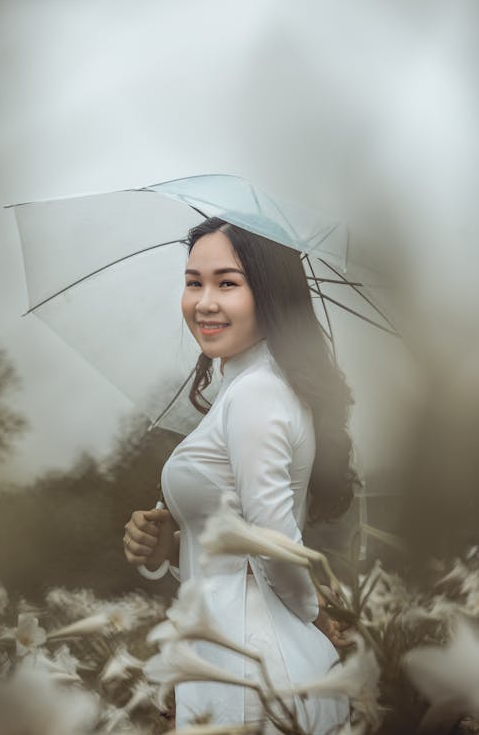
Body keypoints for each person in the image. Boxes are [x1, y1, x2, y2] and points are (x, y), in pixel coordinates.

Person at [123, 216, 358, 733]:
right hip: (239, 659)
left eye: (227, 283)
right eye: (193, 282)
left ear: (269, 293)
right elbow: (241, 552)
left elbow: (272, 540)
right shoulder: (246, 383)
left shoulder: (257, 391)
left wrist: (317, 616)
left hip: (252, 670)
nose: (204, 302)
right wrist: (171, 546)